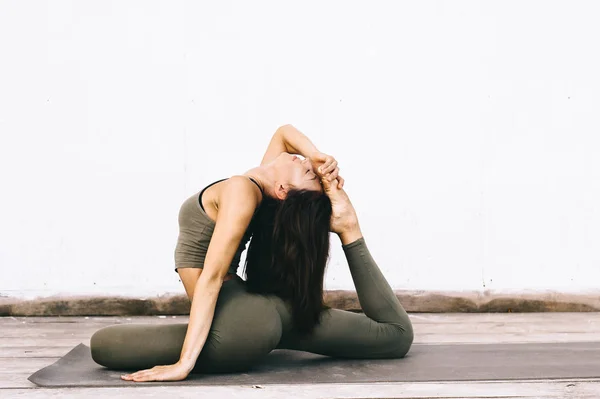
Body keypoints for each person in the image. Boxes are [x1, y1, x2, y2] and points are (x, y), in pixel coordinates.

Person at [89, 124, 414, 382]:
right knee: (394, 337)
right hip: (263, 314)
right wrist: (317, 156)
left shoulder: (242, 191)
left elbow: (212, 278)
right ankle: (350, 231)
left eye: (307, 172)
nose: (304, 162)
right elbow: (284, 132)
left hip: (242, 326)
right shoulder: (259, 184)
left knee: (103, 344)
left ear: (283, 191)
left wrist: (183, 364)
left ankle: (348, 226)